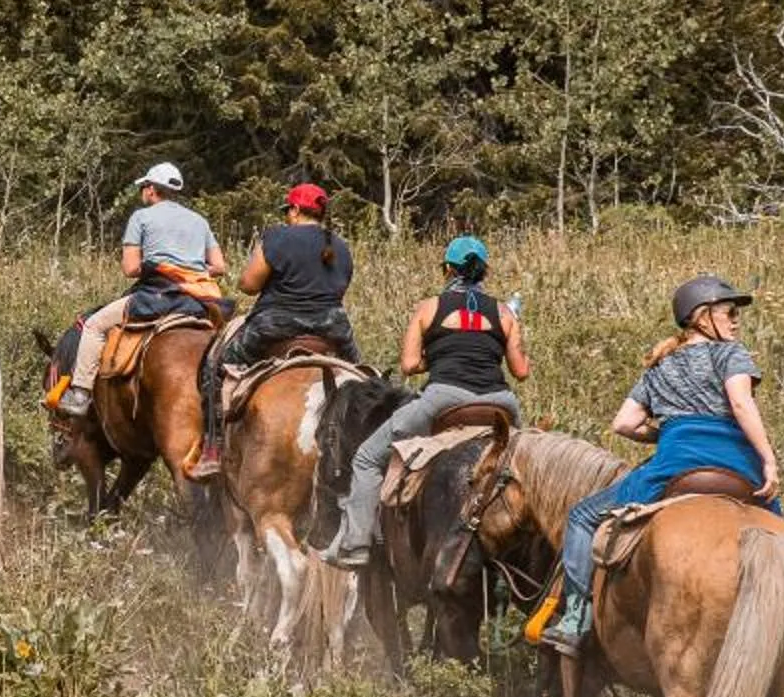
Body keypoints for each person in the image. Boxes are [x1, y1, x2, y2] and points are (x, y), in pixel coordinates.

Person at [535, 275, 781, 656]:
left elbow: (624, 423)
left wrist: (666, 434)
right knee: (779, 534)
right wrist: (768, 459)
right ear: (702, 317)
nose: (736, 320)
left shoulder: (659, 368)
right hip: (738, 466)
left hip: (675, 465)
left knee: (583, 517)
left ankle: (576, 618)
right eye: (729, 312)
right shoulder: (731, 355)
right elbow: (741, 405)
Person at [319, 235, 531, 568]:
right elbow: (521, 371)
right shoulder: (504, 313)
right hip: (500, 404)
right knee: (525, 467)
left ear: (448, 269)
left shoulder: (429, 308)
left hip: (445, 399)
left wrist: (442, 355)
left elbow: (408, 364)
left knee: (366, 458)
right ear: (485, 271)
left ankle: (356, 543)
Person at [190, 182, 360, 477]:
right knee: (365, 380)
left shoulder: (277, 237)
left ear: (295, 210)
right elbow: (340, 287)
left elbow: (249, 284)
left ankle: (213, 447)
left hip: (275, 324)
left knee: (216, 367)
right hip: (332, 328)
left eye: (288, 211)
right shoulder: (340, 246)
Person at [54, 163, 228, 416]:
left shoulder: (141, 217)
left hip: (156, 297)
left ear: (151, 190)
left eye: (144, 187)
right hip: (198, 302)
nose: (143, 192)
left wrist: (161, 266)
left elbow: (130, 268)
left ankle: (80, 393)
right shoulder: (199, 221)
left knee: (93, 326)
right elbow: (219, 266)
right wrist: (190, 270)